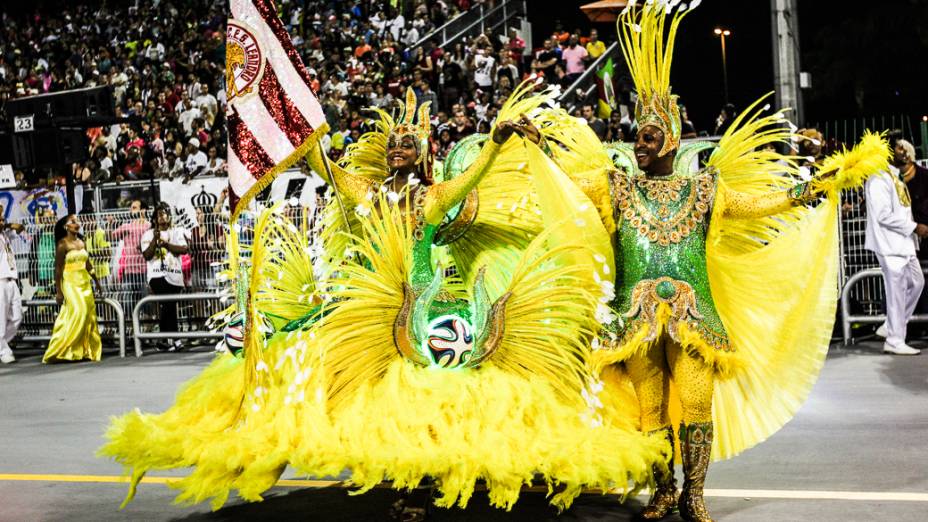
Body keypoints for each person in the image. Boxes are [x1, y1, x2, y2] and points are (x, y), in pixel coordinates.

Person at [102, 85, 667, 518]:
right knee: (346, 386)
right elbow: (324, 167)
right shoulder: (367, 192)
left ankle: (427, 487)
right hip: (370, 308)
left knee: (422, 403)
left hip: (422, 305)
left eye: (407, 142)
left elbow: (474, 178)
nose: (398, 148)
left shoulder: (434, 195)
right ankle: (394, 480)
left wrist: (494, 145)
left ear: (421, 151)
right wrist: (298, 126)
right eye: (392, 142)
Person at [535, 5, 889, 520]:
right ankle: (662, 490)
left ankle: (694, 493)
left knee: (696, 404)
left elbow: (761, 204)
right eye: (638, 134)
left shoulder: (705, 189)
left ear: (672, 140)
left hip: (693, 315)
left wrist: (817, 184)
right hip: (634, 320)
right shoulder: (615, 187)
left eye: (650, 135)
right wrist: (533, 144)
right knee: (650, 409)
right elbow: (561, 184)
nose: (640, 141)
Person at [866, 156, 923, 355]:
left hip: (904, 243)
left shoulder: (894, 175)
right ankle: (894, 339)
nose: (905, 153)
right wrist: (915, 228)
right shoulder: (878, 179)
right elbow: (883, 215)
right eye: (898, 148)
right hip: (889, 244)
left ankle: (891, 326)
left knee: (917, 282)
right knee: (896, 291)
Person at [43, 215, 103, 363]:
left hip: (84, 283)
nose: (77, 224)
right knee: (78, 311)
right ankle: (65, 348)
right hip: (70, 282)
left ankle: (82, 350)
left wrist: (96, 281)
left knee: (88, 315)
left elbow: (88, 264)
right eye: (73, 222)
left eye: (77, 221)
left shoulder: (82, 242)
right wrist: (59, 291)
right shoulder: (62, 244)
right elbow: (57, 269)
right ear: (66, 226)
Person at [140, 203, 189, 352]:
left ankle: (164, 339)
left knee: (169, 306)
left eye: (165, 213)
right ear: (155, 218)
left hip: (174, 274)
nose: (162, 216)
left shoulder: (176, 232)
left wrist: (166, 245)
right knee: (167, 303)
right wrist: (155, 241)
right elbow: (147, 255)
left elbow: (183, 249)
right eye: (159, 214)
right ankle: (175, 339)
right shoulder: (148, 234)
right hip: (157, 275)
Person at [0, 217, 25, 364]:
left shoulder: (5, 235)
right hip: (0, 280)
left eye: (3, 219)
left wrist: (6, 225)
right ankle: (4, 351)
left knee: (17, 316)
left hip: (12, 279)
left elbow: (20, 228)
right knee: (1, 320)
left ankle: (2, 344)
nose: (2, 221)